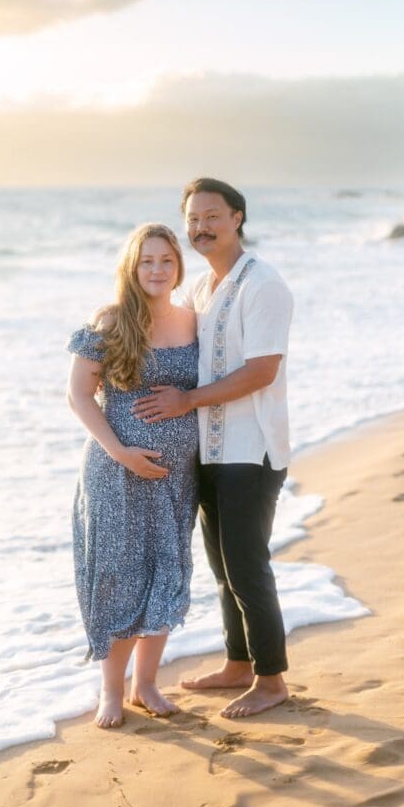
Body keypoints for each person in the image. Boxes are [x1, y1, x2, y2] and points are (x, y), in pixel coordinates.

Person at [132, 178, 294, 719]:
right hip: (211, 451)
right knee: (222, 568)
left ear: (237, 218)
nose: (201, 227)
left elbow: (261, 371)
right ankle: (238, 664)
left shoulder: (262, 283)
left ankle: (272, 681)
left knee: (248, 566)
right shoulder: (201, 290)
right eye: (193, 219)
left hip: (253, 450)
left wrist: (186, 401)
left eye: (212, 216)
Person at [66, 223, 198, 729]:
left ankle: (146, 685)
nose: (158, 270)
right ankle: (111, 691)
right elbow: (79, 394)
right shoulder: (110, 321)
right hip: (115, 473)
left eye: (166, 260)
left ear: (178, 267)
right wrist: (122, 452)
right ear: (132, 267)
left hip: (174, 478)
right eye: (147, 261)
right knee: (118, 578)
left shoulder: (193, 322)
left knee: (166, 574)